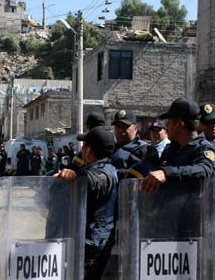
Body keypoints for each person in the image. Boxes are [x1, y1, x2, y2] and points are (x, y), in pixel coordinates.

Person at [53, 127, 118, 280]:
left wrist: (77, 175)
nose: (82, 149)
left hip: (94, 243)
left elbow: (95, 181)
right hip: (88, 239)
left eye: (85, 145)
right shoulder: (97, 167)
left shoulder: (105, 172)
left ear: (90, 149)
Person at [141, 97, 215, 194]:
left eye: (168, 121)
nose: (167, 126)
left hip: (193, 208)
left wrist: (166, 173)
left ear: (179, 124)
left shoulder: (204, 149)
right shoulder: (170, 149)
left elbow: (205, 170)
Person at [111, 109, 158, 180]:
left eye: (125, 126)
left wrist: (114, 173)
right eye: (118, 127)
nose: (120, 130)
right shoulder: (110, 148)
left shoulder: (146, 150)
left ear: (135, 128)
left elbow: (147, 176)